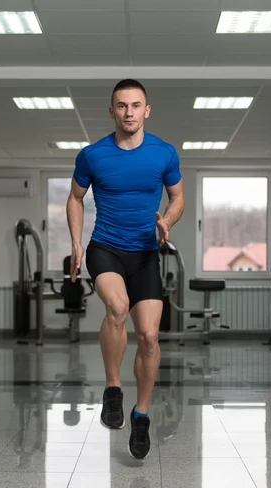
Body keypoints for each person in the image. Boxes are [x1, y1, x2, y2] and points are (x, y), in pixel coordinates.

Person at [66, 79, 184, 460]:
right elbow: (75, 197)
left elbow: (178, 196)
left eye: (136, 105)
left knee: (149, 336)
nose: (129, 112)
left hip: (146, 252)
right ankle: (113, 388)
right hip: (106, 248)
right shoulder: (93, 155)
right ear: (112, 110)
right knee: (117, 309)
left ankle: (142, 414)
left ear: (146, 110)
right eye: (122, 105)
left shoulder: (164, 153)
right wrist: (76, 242)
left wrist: (167, 220)